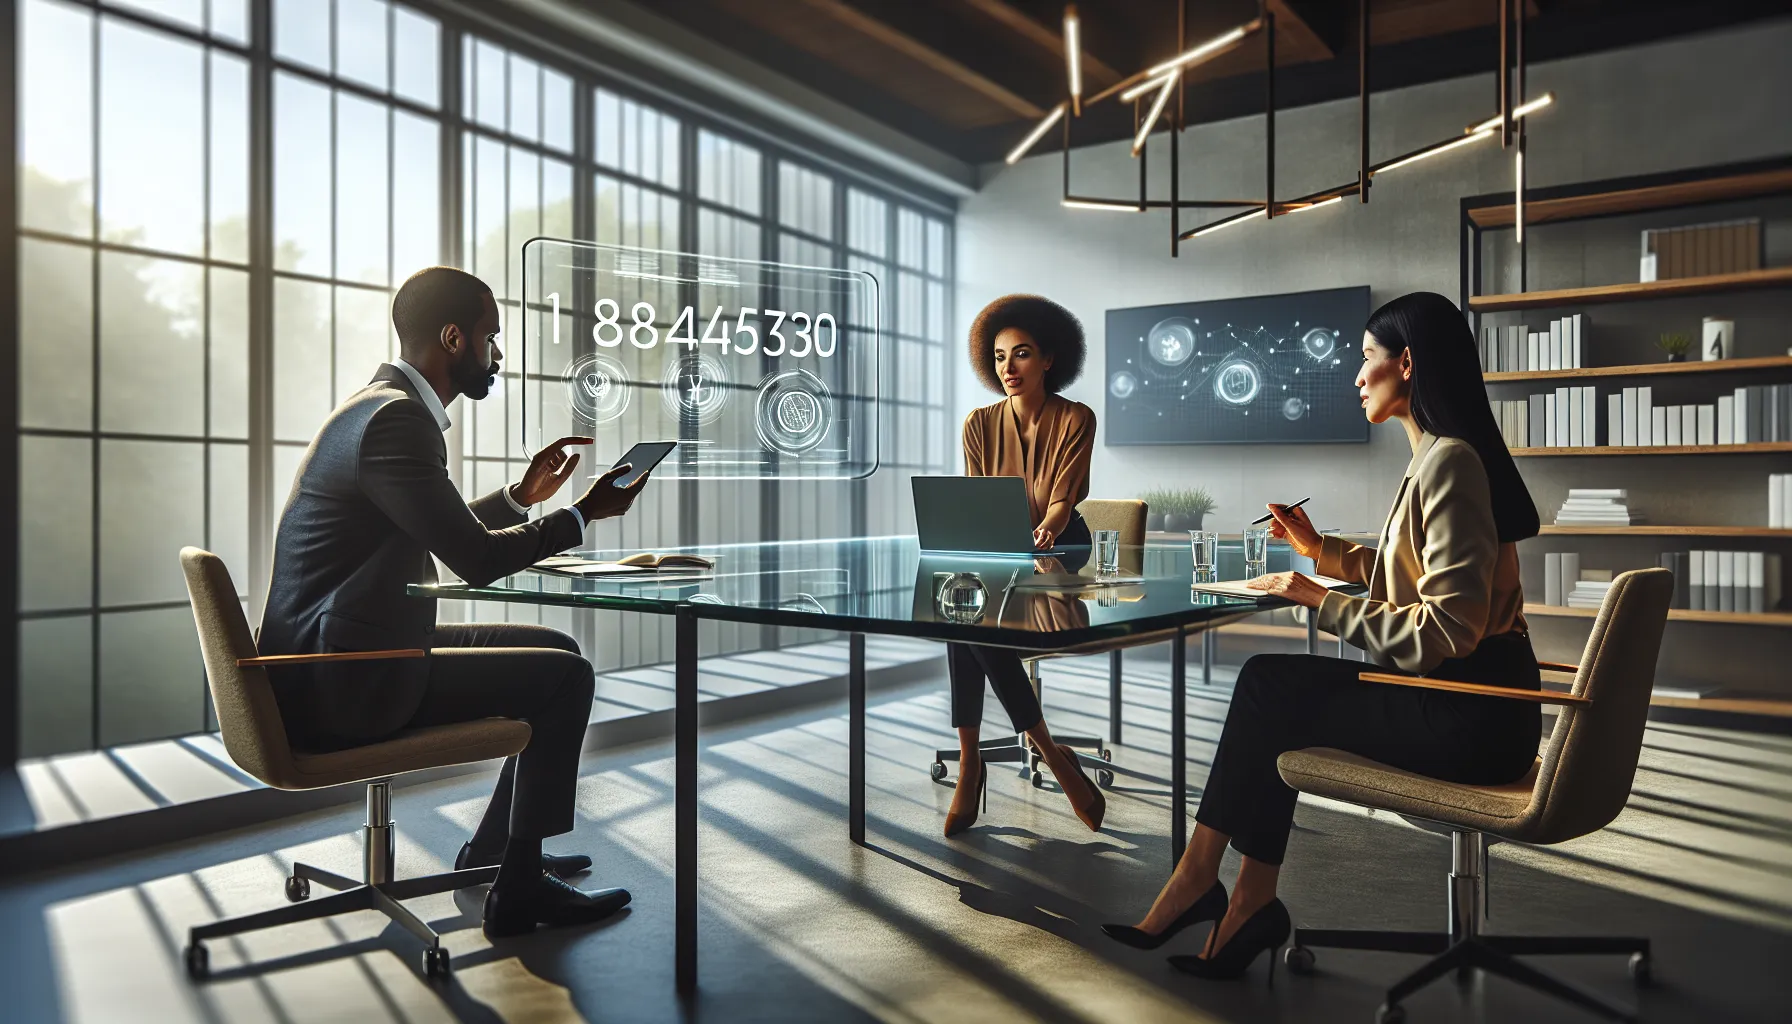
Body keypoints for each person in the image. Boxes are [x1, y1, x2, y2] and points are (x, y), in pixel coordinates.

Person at [1101, 291, 1543, 978]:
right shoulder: (1440, 458)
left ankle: (1206, 883)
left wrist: (1315, 598)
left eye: (1367, 360)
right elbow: (1417, 577)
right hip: (1475, 705)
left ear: (1407, 363)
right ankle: (1243, 899)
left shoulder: (1451, 461)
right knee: (1274, 691)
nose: (1357, 377)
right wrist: (1321, 550)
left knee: (1270, 685)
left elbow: (1447, 631)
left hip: (1471, 717)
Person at [259, 266, 651, 939]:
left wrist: (522, 499)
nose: (497, 354)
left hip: (334, 657)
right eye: (490, 337)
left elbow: (439, 533)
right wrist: (586, 513)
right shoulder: (396, 423)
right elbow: (474, 559)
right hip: (345, 680)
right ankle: (520, 888)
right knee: (568, 679)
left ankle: (495, 850)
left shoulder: (374, 407)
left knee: (557, 651)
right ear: (452, 338)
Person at [943, 294, 1106, 838]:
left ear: (1049, 359)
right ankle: (1041, 753)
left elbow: (1063, 502)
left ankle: (980, 763)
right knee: (961, 614)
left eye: (1022, 354)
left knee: (965, 620)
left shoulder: (1077, 418)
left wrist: (1047, 530)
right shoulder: (978, 424)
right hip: (1003, 549)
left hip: (1062, 549)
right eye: (998, 357)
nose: (1008, 368)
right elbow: (978, 503)